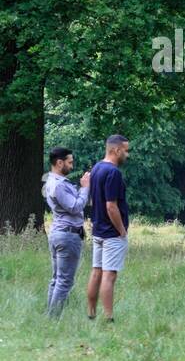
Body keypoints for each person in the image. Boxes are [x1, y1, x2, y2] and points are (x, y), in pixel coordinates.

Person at [86, 135, 131, 321]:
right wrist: (121, 230)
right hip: (111, 233)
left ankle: (91, 313)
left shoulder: (96, 168)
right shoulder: (113, 173)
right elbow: (111, 205)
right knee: (109, 275)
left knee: (96, 271)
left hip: (97, 230)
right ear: (116, 150)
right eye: (126, 150)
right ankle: (108, 317)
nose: (127, 155)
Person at [42, 146, 89, 316]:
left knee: (57, 279)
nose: (72, 165)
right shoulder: (58, 185)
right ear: (59, 162)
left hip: (58, 233)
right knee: (64, 281)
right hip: (68, 235)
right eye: (69, 162)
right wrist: (85, 187)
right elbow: (75, 207)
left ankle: (50, 316)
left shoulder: (51, 181)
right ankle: (52, 319)